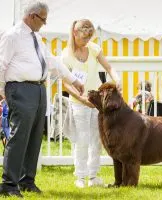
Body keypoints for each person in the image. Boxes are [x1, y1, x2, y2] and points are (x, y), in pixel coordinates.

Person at [0, 1, 84, 198]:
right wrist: (1, 91)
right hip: (20, 88)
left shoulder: (36, 37)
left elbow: (52, 61)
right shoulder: (12, 36)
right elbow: (1, 64)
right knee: (19, 136)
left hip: (39, 89)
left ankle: (27, 180)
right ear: (32, 16)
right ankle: (8, 184)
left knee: (35, 136)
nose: (44, 23)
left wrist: (73, 80)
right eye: (43, 19)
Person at [61, 19, 121, 188]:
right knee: (82, 140)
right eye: (84, 38)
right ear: (74, 33)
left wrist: (117, 79)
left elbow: (109, 67)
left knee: (96, 139)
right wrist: (81, 99)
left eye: (89, 38)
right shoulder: (66, 55)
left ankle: (93, 176)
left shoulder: (94, 49)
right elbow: (66, 82)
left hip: (97, 103)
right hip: (78, 103)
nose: (87, 41)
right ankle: (80, 176)